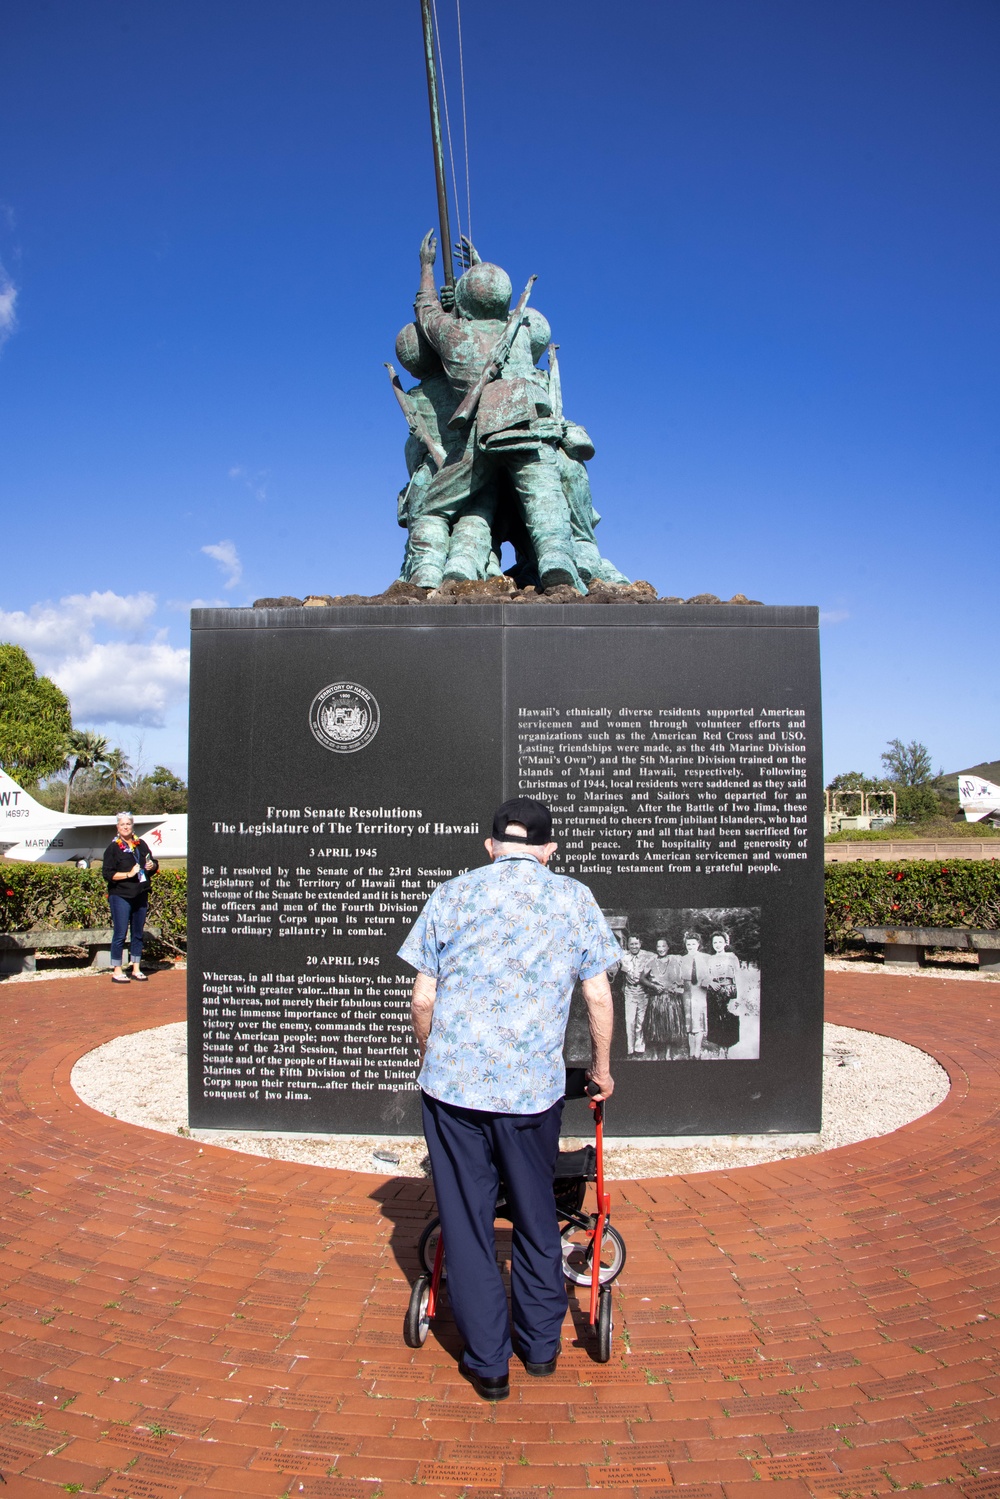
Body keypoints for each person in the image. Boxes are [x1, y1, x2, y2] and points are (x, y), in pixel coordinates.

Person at [398, 797, 620, 1402]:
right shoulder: (574, 897)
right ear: (549, 851)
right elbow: (598, 996)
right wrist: (600, 1068)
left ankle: (489, 1364)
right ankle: (541, 1349)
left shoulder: (451, 893)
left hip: (455, 1091)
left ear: (491, 845)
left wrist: (429, 1057)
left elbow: (422, 998)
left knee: (467, 1227)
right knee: (536, 1218)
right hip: (531, 1094)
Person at [102, 812, 158, 983]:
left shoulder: (141, 845)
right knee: (120, 933)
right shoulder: (113, 848)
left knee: (138, 933)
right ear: (117, 828)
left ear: (132, 826)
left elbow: (153, 863)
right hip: (121, 895)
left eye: (128, 824)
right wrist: (128, 874)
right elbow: (108, 874)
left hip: (140, 893)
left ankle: (136, 967)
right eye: (122, 824)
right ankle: (117, 969)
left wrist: (152, 865)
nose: (126, 827)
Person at [641, 938, 686, 1060]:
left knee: (670, 1026)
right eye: (658, 946)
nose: (661, 949)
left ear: (668, 947)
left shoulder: (675, 961)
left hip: (671, 999)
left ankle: (668, 1053)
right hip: (656, 998)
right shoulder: (651, 961)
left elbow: (681, 979)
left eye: (663, 946)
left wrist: (676, 987)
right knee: (655, 1026)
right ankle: (655, 1053)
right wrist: (653, 986)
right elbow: (642, 978)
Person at [614, 933, 655, 1057]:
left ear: (640, 944)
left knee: (640, 1021)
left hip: (643, 992)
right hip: (630, 991)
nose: (634, 946)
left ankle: (639, 1047)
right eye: (631, 944)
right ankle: (630, 1049)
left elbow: (655, 965)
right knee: (630, 1020)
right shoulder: (623, 956)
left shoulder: (648, 956)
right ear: (628, 945)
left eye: (636, 944)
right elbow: (617, 968)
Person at [704, 930, 741, 1057]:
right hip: (714, 991)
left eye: (720, 942)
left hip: (728, 990)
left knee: (728, 1018)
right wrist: (711, 982)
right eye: (715, 942)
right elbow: (705, 975)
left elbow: (739, 977)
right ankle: (719, 1047)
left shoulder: (731, 957)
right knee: (715, 1019)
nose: (717, 944)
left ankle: (727, 1049)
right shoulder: (710, 958)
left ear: (726, 943)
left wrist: (737, 998)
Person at [679, 930, 711, 1059]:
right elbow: (678, 977)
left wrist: (707, 981)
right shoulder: (682, 959)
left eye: (693, 944)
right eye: (688, 944)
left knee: (699, 1022)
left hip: (700, 992)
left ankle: (697, 1052)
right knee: (689, 1023)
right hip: (687, 993)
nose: (691, 947)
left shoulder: (707, 957)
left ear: (698, 944)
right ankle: (691, 1052)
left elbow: (712, 973)